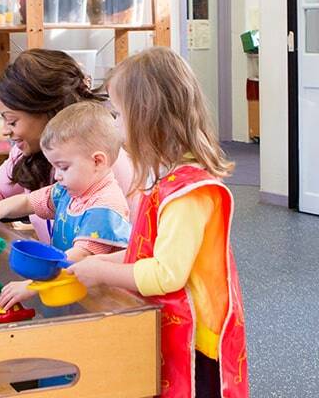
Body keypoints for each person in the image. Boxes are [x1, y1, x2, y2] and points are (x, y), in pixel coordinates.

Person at [66, 47, 249, 397]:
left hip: (200, 339)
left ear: (146, 116)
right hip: (179, 325)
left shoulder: (188, 193)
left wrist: (102, 273)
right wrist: (105, 260)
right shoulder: (169, 181)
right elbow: (150, 253)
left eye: (118, 115)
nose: (115, 127)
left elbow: (166, 274)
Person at [0, 49, 135, 241]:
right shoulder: (26, 153)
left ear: (48, 113)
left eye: (12, 121)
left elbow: (138, 238)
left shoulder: (105, 162)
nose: (5, 131)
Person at [0, 101, 131, 311]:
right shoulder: (71, 190)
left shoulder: (105, 207)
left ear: (97, 161)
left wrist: (33, 286)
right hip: (65, 288)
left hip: (99, 304)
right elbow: (27, 201)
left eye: (63, 167)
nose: (57, 176)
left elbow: (79, 257)